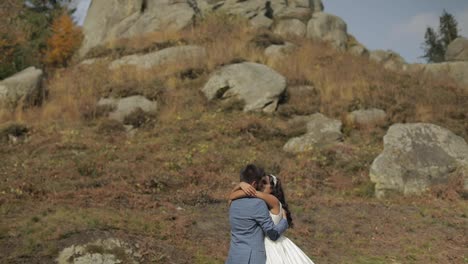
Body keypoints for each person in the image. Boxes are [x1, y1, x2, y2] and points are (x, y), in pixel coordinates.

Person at [229, 173, 315, 264]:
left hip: (273, 245)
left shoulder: (272, 200)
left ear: (272, 188)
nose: (262, 184)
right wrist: (240, 185)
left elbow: (233, 196)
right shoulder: (259, 202)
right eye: (262, 182)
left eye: (265, 183)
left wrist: (241, 186)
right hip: (261, 245)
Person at [226, 164, 289, 264]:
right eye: (261, 183)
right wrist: (285, 222)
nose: (262, 186)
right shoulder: (258, 204)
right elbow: (272, 234)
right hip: (252, 258)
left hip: (234, 256)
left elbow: (230, 197)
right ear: (254, 184)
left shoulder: (233, 202)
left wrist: (239, 185)